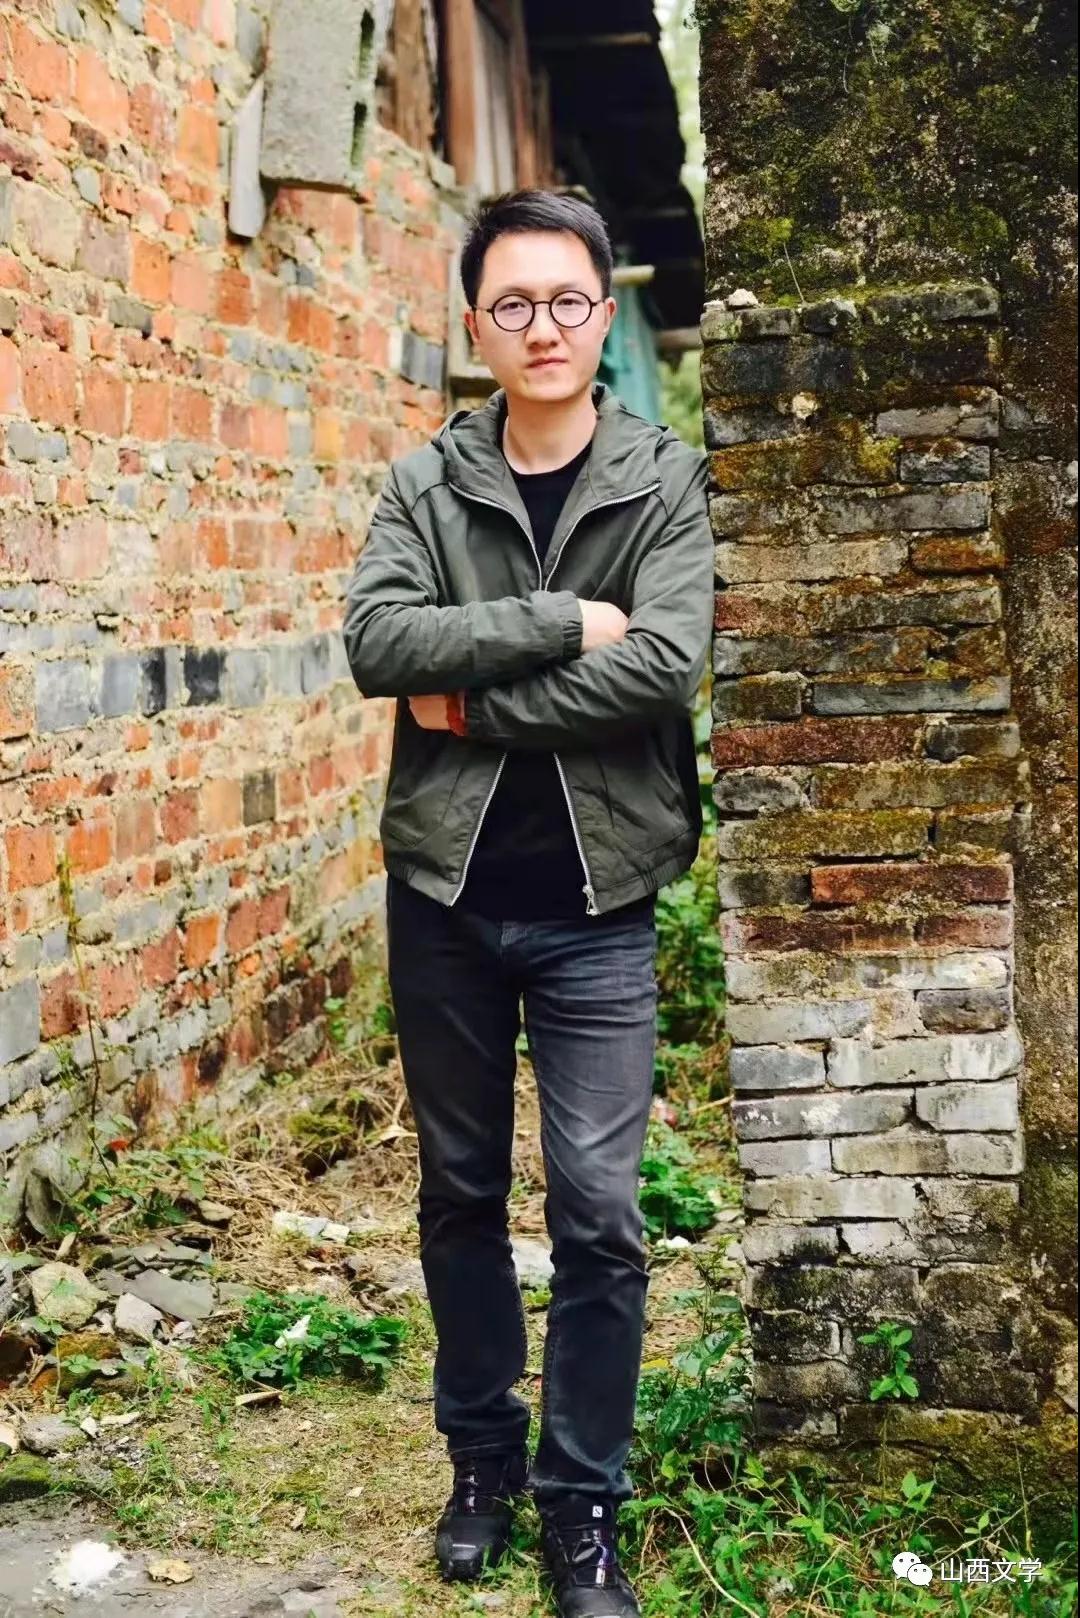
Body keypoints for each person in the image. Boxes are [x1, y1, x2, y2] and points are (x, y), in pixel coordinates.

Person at [342, 188, 713, 1618]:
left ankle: (583, 1503)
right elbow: (381, 642)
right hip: (443, 894)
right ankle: (483, 1461)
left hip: (598, 903)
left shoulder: (661, 480)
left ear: (603, 316)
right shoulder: (427, 483)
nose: (542, 326)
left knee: (603, 1212)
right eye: (514, 304)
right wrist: (562, 622)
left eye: (566, 301)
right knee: (460, 1189)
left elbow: (663, 665)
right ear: (477, 324)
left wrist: (475, 701)